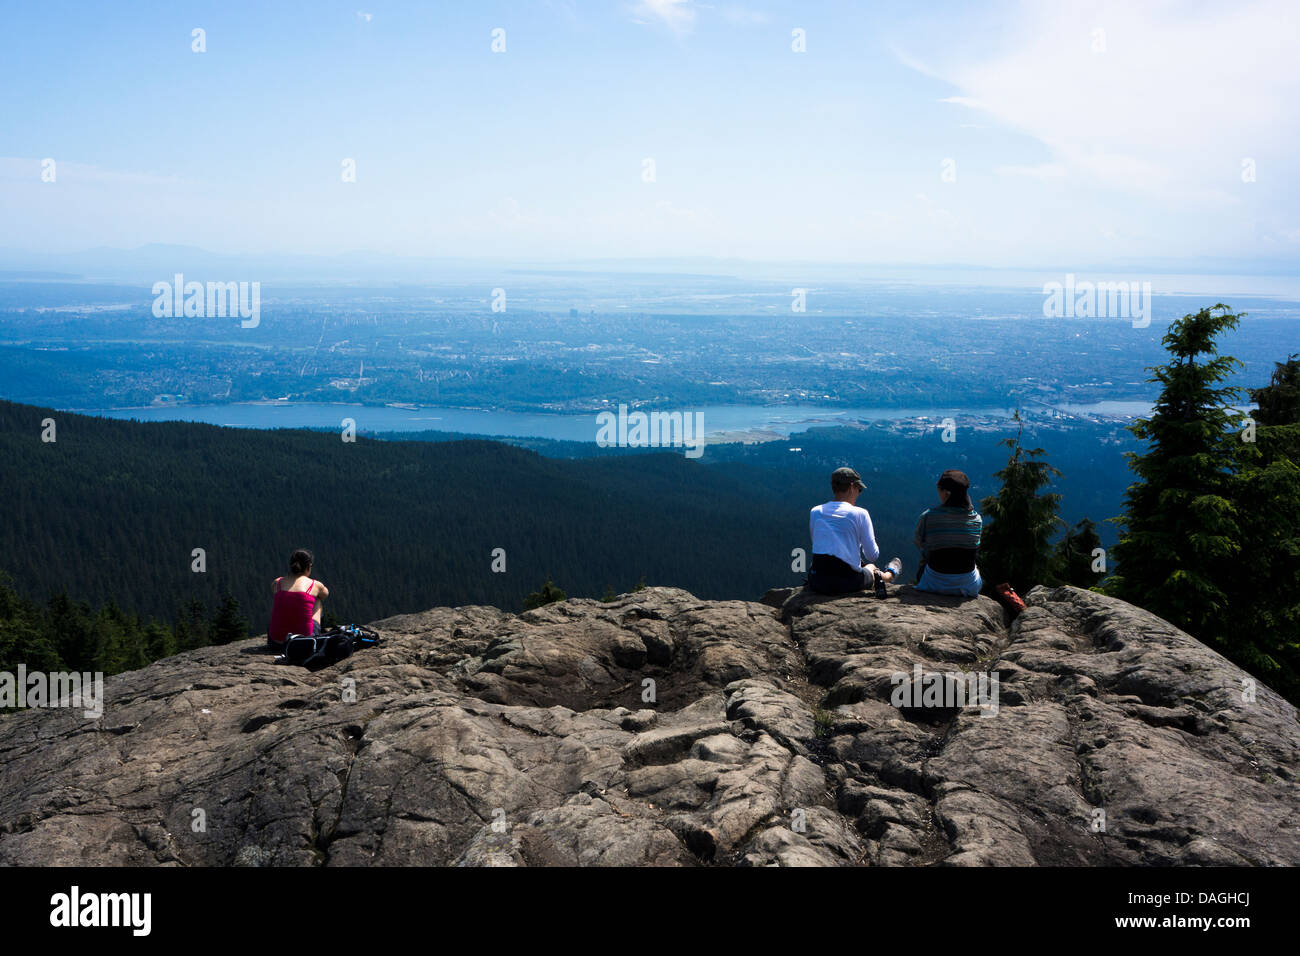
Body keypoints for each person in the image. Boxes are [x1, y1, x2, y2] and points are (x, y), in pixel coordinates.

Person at [807, 467, 903, 597]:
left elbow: (819, 544)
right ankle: (889, 575)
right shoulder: (860, 513)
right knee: (871, 567)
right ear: (852, 487)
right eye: (860, 489)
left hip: (817, 580)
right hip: (847, 582)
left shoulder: (815, 511)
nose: (859, 493)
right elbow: (872, 555)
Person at [913, 469, 983, 598]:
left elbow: (918, 542)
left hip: (933, 583)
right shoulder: (976, 519)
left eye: (939, 489)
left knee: (926, 555)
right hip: (968, 585)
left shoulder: (929, 517)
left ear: (946, 493)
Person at [267, 548, 330, 648]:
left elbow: (274, 591)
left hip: (275, 642)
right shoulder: (314, 585)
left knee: (283, 601)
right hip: (303, 643)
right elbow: (325, 594)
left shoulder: (277, 582)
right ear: (309, 566)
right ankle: (317, 635)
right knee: (317, 600)